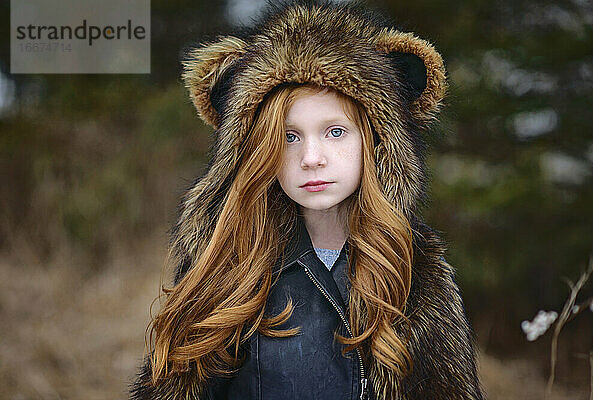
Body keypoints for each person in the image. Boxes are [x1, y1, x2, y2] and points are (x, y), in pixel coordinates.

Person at [130, 1, 485, 399]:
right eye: (289, 136)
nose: (311, 158)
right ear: (259, 149)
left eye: (335, 132)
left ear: (375, 143)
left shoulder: (417, 274)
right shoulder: (230, 266)